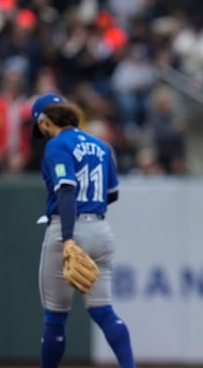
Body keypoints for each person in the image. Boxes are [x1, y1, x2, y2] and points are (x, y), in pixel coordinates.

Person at [31, 93, 136, 368]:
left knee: (55, 317)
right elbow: (111, 194)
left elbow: (66, 189)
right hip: (100, 231)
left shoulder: (56, 146)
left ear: (44, 122)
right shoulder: (101, 146)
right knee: (104, 311)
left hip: (67, 230)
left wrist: (68, 239)